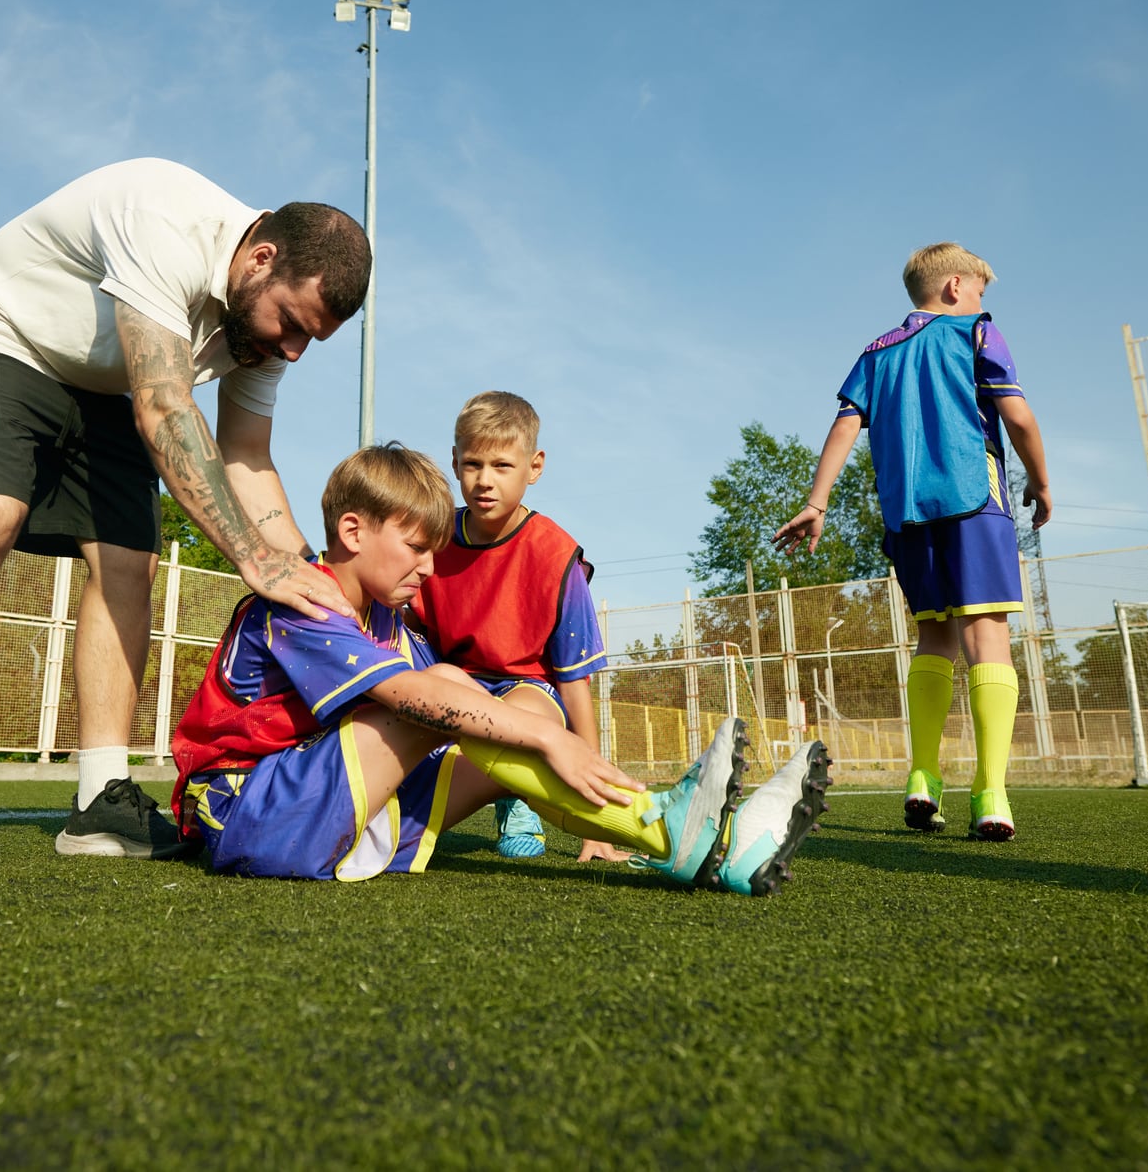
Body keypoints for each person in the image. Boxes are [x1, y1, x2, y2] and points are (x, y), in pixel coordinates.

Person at [0, 158, 366, 884]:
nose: (292, 348)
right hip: (0, 338)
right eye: (291, 324)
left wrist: (321, 581)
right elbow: (162, 407)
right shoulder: (166, 216)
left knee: (131, 561)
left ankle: (101, 799)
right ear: (261, 258)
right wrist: (253, 559)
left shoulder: (266, 327)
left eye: (311, 338)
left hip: (108, 384)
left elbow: (247, 460)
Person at [170, 443, 833, 896]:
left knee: (484, 701)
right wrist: (549, 738)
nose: (428, 569)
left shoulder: (388, 621)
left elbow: (457, 692)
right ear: (351, 532)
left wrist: (536, 717)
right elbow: (415, 698)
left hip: (322, 809)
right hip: (248, 813)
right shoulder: (304, 601)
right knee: (438, 701)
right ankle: (664, 822)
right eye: (414, 548)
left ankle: (707, 850)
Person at [773, 242, 1050, 841]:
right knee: (986, 636)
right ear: (956, 287)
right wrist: (1043, 484)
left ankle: (922, 778)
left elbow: (845, 424)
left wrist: (816, 502)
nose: (982, 302)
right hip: (974, 500)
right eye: (979, 291)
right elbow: (1019, 418)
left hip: (905, 515)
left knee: (933, 636)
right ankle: (991, 794)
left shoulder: (878, 351)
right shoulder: (976, 332)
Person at [407, 391, 622, 862]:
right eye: (472, 464)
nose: (484, 481)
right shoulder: (433, 542)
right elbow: (404, 633)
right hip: (456, 684)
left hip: (530, 694)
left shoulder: (557, 556)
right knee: (397, 816)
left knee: (520, 722)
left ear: (535, 467)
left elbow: (575, 685)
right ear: (455, 461)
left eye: (502, 466)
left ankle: (518, 796)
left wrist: (595, 823)